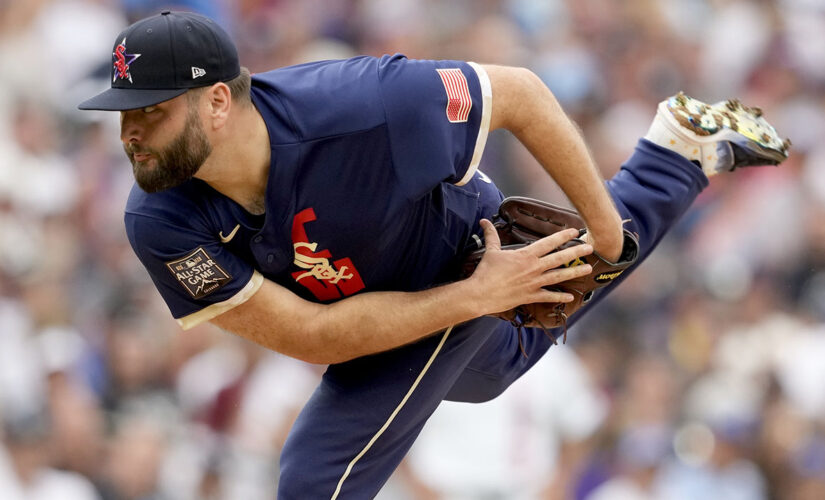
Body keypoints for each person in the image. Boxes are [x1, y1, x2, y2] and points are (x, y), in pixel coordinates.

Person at [77, 10, 789, 499]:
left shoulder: (364, 107)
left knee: (312, 479)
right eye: (126, 112)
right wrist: (485, 296)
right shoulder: (159, 218)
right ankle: (675, 154)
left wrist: (605, 234)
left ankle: (638, 193)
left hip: (457, 254)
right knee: (499, 365)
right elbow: (309, 335)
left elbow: (517, 92)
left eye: (153, 110)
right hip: (406, 309)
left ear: (217, 104)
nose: (131, 133)